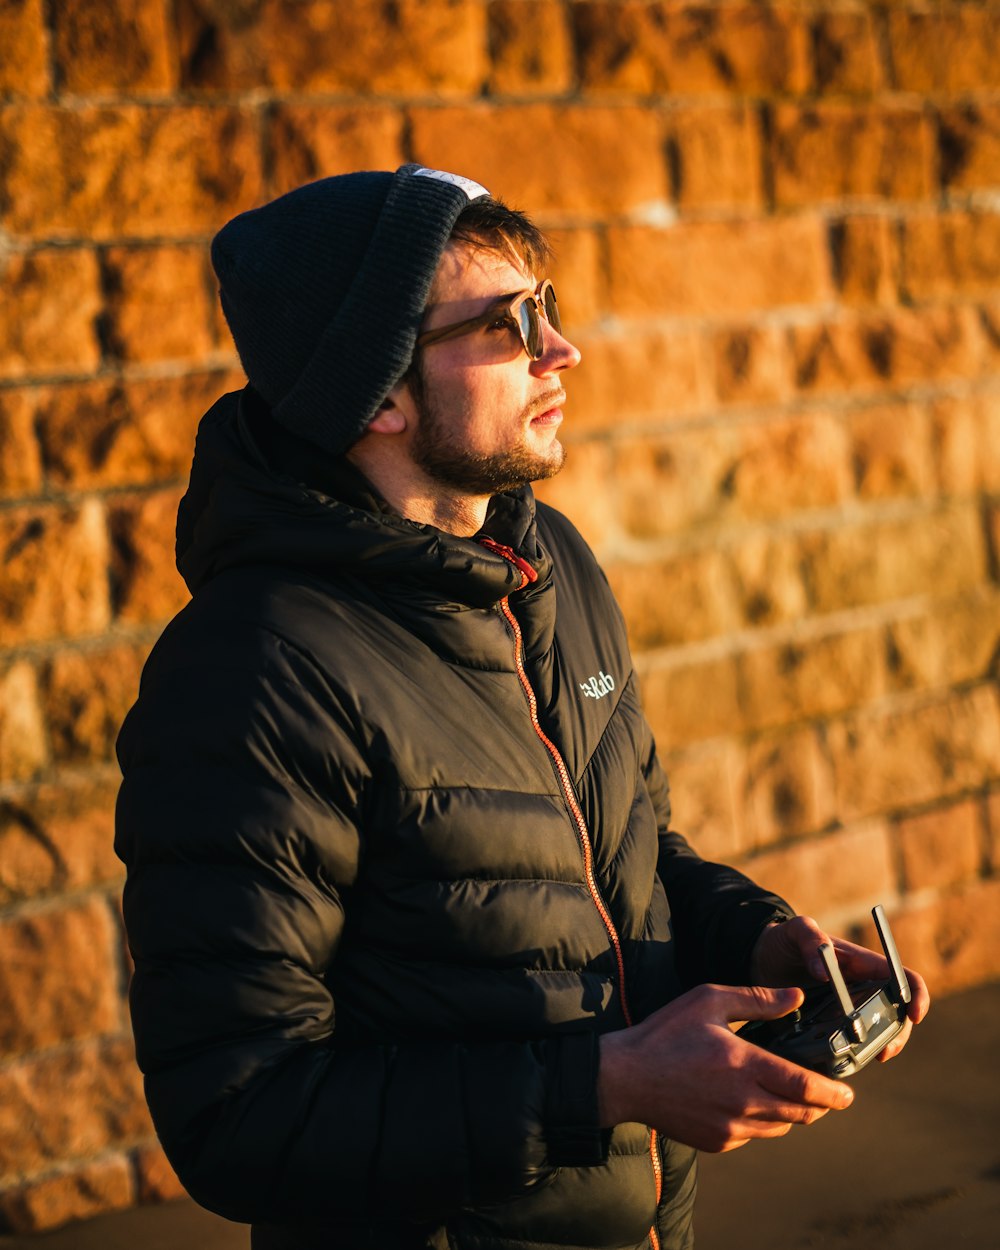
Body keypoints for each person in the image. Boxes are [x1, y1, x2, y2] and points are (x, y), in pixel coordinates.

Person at [115, 164, 929, 1250]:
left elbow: (625, 863)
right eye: (504, 324)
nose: (560, 350)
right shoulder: (252, 670)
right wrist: (603, 1085)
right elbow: (238, 1113)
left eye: (546, 306)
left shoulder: (544, 566)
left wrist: (765, 945)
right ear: (379, 394)